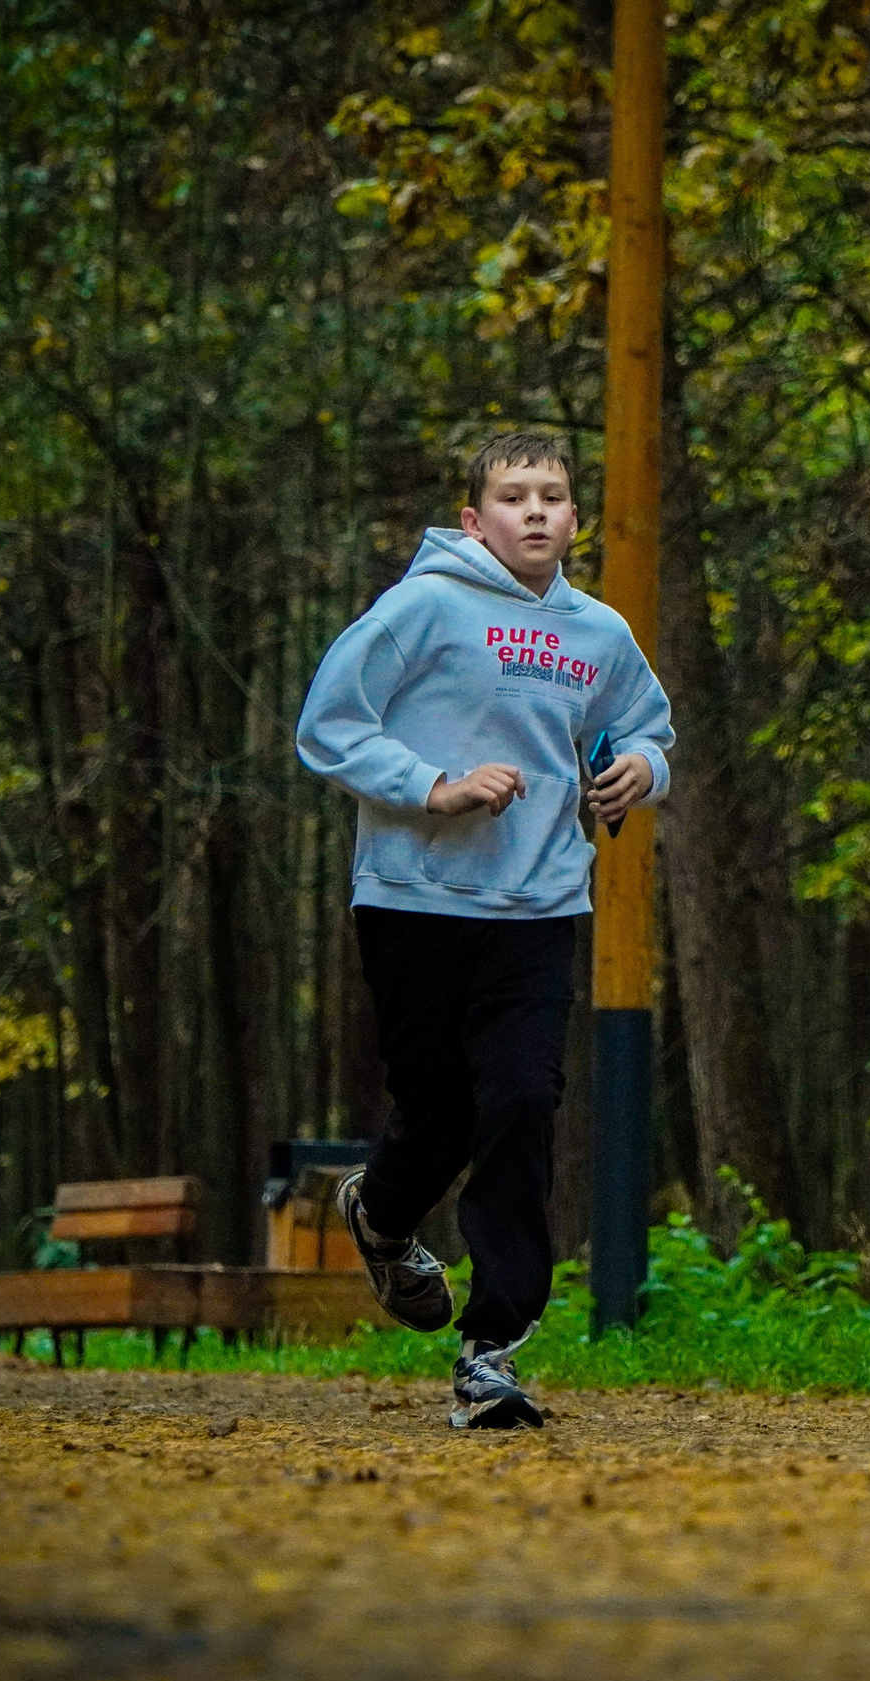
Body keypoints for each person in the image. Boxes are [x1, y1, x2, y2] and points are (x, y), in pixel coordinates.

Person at [296, 429, 673, 1429]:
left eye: (553, 496)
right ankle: (379, 1214)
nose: (536, 512)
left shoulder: (599, 632)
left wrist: (643, 768)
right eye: (514, 497)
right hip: (413, 897)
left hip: (541, 905)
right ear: (474, 520)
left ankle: (490, 1349)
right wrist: (434, 787)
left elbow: (639, 723)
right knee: (439, 1114)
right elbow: (328, 723)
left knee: (519, 1100)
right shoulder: (422, 608)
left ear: (575, 520)